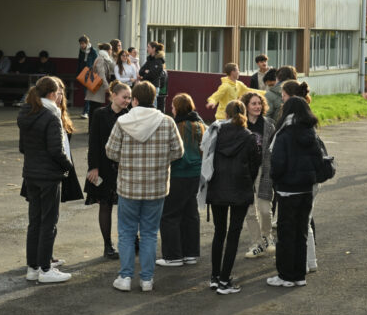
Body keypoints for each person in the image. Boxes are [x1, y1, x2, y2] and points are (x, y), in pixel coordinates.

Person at [105, 81, 183, 292]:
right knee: (149, 233)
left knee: (127, 232)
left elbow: (110, 151)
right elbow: (178, 152)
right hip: (156, 188)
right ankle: (147, 279)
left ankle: (125, 277)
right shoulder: (167, 122)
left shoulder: (123, 121)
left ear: (136, 100)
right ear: (155, 98)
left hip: (128, 187)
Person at [17, 76, 74, 283]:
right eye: (59, 93)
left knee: (35, 222)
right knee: (49, 222)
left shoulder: (27, 112)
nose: (61, 96)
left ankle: (33, 267)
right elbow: (56, 151)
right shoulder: (52, 116)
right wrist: (68, 166)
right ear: (51, 94)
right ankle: (45, 269)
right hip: (49, 176)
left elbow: (22, 147)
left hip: (30, 174)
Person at [268, 96, 323, 288]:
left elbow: (277, 165)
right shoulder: (310, 133)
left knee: (285, 234)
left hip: (287, 191)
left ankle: (285, 275)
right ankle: (299, 275)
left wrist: (277, 180)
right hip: (306, 189)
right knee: (301, 233)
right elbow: (318, 161)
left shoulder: (283, 135)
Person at [207, 100, 261, 294]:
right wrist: (247, 180)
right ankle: (224, 280)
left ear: (226, 113)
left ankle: (214, 277)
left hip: (217, 187)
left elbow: (208, 155)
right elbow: (255, 164)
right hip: (240, 188)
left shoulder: (216, 133)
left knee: (219, 232)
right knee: (233, 233)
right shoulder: (249, 136)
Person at [157, 94, 205, 268]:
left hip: (177, 174)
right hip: (196, 175)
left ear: (177, 108)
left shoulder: (175, 126)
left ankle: (173, 255)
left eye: (173, 106)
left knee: (169, 215)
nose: (171, 109)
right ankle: (191, 253)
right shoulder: (200, 125)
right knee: (191, 214)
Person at [85, 81, 131, 259]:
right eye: (124, 97)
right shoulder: (99, 114)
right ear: (113, 95)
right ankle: (107, 245)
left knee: (128, 207)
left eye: (129, 97)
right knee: (105, 205)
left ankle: (131, 240)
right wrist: (93, 167)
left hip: (125, 167)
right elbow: (93, 142)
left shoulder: (130, 115)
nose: (126, 100)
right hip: (104, 166)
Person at [241, 92, 276, 259]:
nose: (257, 107)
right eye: (253, 104)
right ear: (246, 106)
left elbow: (274, 149)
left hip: (265, 170)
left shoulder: (269, 125)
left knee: (264, 209)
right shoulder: (241, 124)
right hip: (245, 170)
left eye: (259, 103)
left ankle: (267, 236)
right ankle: (256, 244)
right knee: (249, 211)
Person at [84, 43, 114, 118]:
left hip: (96, 88)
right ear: (107, 50)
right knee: (95, 110)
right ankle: (92, 129)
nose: (111, 51)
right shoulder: (101, 59)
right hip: (96, 88)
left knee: (94, 110)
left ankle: (92, 129)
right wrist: (107, 86)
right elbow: (101, 74)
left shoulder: (103, 58)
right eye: (111, 49)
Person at [139, 41, 165, 107]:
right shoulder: (149, 59)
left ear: (154, 49)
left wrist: (145, 75)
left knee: (153, 105)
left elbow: (153, 74)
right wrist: (146, 71)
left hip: (154, 86)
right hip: (146, 86)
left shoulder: (158, 61)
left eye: (148, 47)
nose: (147, 49)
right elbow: (140, 71)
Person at [77, 35, 98, 119]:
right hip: (83, 72)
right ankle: (87, 111)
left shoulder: (93, 51)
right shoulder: (81, 51)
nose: (82, 45)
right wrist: (78, 73)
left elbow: (96, 62)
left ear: (87, 43)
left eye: (83, 43)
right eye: (80, 44)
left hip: (90, 73)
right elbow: (80, 62)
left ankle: (86, 111)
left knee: (88, 93)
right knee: (86, 93)